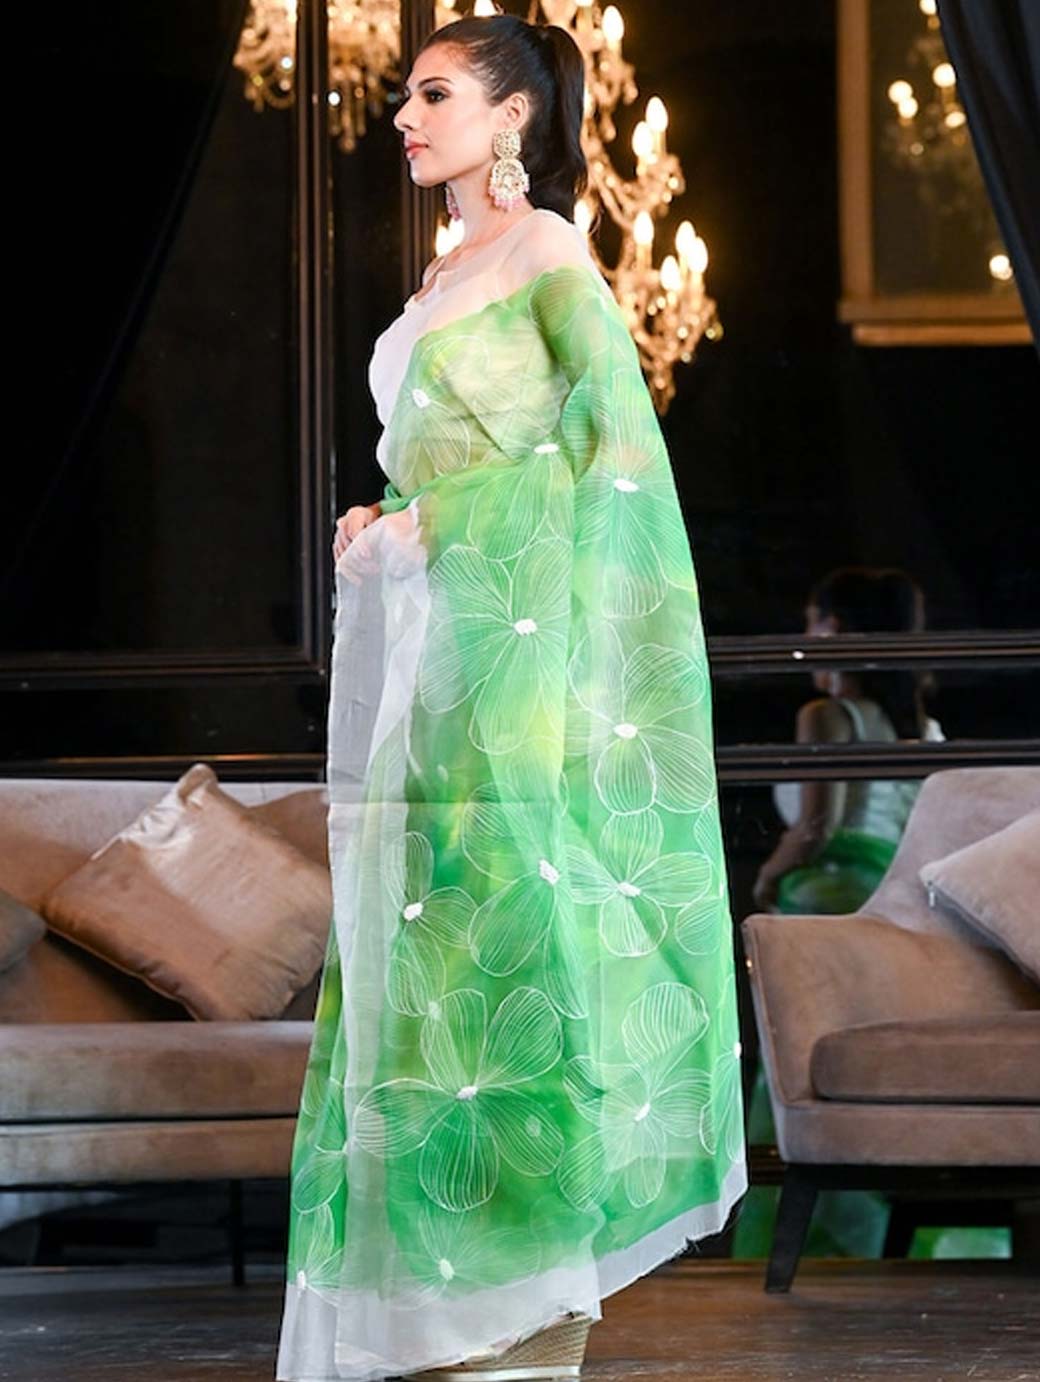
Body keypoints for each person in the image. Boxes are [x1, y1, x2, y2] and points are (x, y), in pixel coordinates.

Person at [275, 14, 747, 1382]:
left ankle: (531, 1301)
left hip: (514, 657)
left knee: (509, 941)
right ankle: (432, 1302)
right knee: (416, 946)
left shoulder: (546, 252)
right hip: (433, 657)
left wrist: (443, 522)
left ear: (512, 117)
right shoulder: (442, 272)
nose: (404, 116)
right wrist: (388, 515)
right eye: (405, 94)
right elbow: (442, 455)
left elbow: (609, 458)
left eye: (434, 93)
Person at [752, 566, 944, 916]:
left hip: (833, 890)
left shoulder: (826, 717)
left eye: (811, 623)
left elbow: (816, 828)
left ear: (833, 628)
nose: (804, 637)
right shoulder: (928, 731)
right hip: (902, 898)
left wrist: (767, 876)